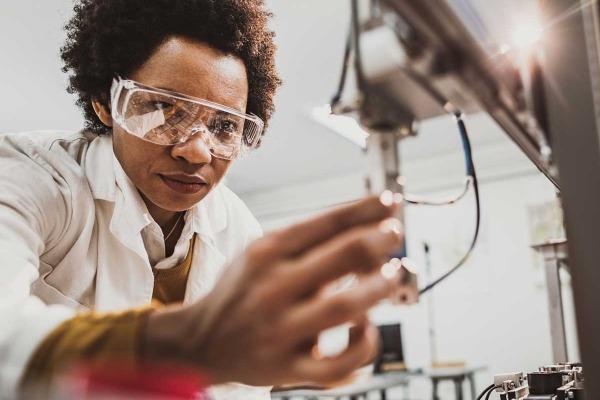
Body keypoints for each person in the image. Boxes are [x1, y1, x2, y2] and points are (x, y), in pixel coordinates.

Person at [0, 0, 411, 398]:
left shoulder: (238, 229)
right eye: (163, 108)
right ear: (106, 103)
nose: (197, 151)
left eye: (224, 125)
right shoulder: (32, 178)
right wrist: (183, 342)